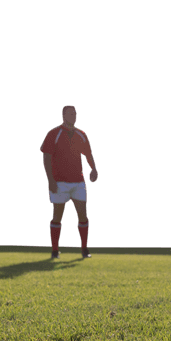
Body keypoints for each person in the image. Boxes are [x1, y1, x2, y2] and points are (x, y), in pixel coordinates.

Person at [40, 105, 98, 259]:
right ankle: (54, 250)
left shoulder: (81, 134)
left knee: (83, 216)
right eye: (70, 114)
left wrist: (93, 169)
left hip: (78, 181)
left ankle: (85, 249)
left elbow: (88, 153)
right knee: (57, 217)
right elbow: (46, 158)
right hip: (60, 183)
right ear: (63, 116)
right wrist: (50, 180)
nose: (73, 116)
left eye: (75, 114)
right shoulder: (54, 134)